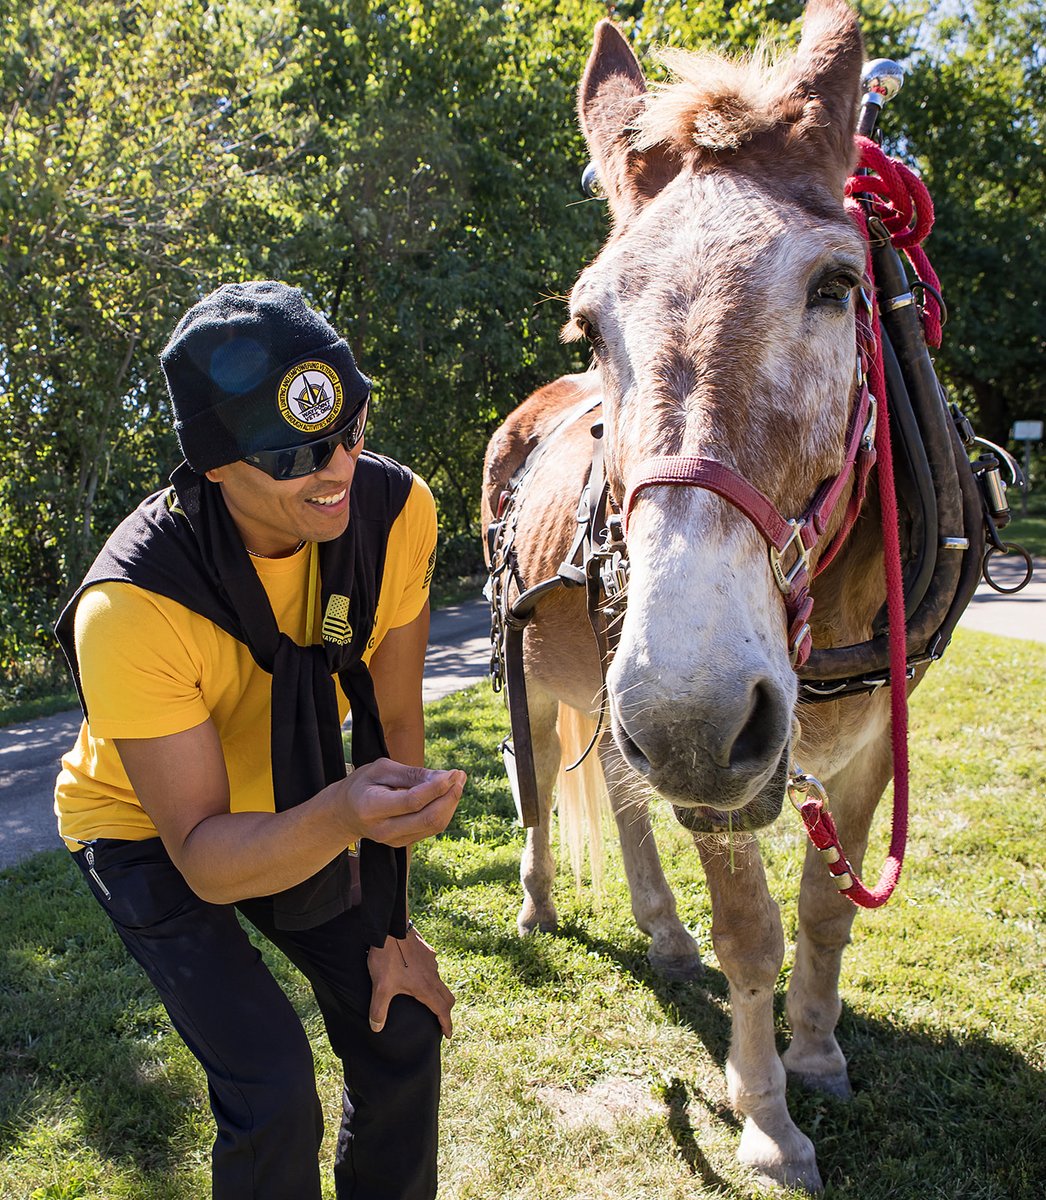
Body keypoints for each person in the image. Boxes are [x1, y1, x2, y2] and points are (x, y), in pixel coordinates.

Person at [53, 280, 467, 1200]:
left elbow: (395, 730)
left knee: (400, 1021)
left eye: (351, 429)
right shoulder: (130, 605)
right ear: (213, 466)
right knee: (272, 1090)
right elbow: (205, 856)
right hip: (150, 833)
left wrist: (393, 926)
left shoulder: (397, 512)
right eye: (292, 455)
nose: (337, 470)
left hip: (296, 795)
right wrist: (343, 814)